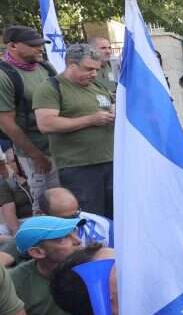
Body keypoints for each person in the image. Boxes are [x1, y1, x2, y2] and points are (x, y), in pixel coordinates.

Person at [32, 43, 115, 218]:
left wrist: (115, 112)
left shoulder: (98, 87)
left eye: (97, 69)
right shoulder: (50, 88)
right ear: (71, 64)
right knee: (91, 216)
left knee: (116, 216)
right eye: (88, 69)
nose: (93, 74)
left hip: (110, 162)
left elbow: (110, 106)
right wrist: (90, 120)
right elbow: (46, 124)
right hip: (79, 167)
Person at [0, 26, 60, 209]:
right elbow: (6, 123)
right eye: (33, 45)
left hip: (58, 146)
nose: (40, 48)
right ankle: (40, 237)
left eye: (41, 44)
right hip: (35, 151)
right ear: (13, 46)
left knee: (62, 197)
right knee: (44, 202)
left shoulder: (44, 66)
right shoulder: (4, 75)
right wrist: (35, 155)